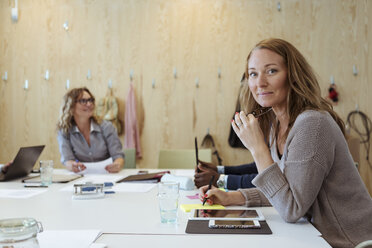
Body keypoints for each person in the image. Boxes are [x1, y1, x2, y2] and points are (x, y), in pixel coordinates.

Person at [199, 38, 372, 247]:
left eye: (271, 71)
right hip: (314, 238)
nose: (260, 82)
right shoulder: (277, 125)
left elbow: (291, 209)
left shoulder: (312, 124)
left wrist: (258, 149)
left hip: (349, 242)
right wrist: (232, 197)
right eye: (253, 74)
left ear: (293, 76)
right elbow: (282, 191)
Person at [57, 87, 125, 173]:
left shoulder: (107, 127)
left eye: (91, 100)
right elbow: (67, 160)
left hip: (108, 176)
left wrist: (117, 164)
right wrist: (72, 166)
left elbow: (118, 156)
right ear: (71, 106)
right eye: (83, 101)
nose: (89, 104)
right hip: (81, 177)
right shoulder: (64, 131)